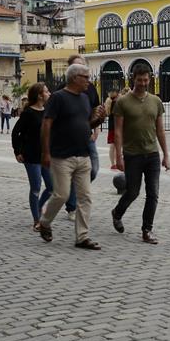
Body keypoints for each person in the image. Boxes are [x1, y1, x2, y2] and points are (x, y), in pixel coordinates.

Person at [37, 64, 107, 249]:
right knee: (61, 194)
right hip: (62, 156)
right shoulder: (58, 98)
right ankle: (44, 222)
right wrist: (45, 152)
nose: (88, 81)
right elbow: (46, 124)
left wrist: (99, 120)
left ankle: (82, 237)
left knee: (85, 197)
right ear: (75, 78)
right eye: (86, 77)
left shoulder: (84, 99)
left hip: (83, 155)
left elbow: (86, 124)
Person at [111, 64, 170, 245]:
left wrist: (166, 155)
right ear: (133, 79)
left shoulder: (155, 101)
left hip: (152, 153)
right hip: (132, 154)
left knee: (153, 193)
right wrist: (119, 157)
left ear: (150, 79)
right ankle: (117, 213)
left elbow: (160, 130)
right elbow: (118, 131)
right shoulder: (122, 102)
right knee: (133, 192)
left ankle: (147, 229)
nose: (143, 83)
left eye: (146, 80)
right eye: (139, 80)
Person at [58, 55, 102, 221]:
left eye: (83, 66)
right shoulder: (61, 91)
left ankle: (74, 188)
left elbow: (96, 108)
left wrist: (96, 127)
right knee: (76, 173)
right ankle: (72, 206)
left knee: (94, 169)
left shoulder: (89, 88)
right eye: (77, 67)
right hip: (70, 140)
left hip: (88, 136)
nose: (82, 71)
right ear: (70, 71)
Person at [12, 83, 53, 231]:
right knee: (35, 187)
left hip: (46, 155)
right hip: (31, 156)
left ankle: (39, 207)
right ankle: (36, 220)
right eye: (46, 91)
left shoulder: (48, 111)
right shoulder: (28, 113)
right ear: (39, 95)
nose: (49, 93)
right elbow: (16, 133)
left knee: (51, 187)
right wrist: (17, 151)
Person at [104, 89, 120, 169]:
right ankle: (117, 162)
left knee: (112, 145)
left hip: (111, 126)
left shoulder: (108, 102)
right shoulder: (116, 103)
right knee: (118, 146)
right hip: (117, 126)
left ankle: (113, 163)